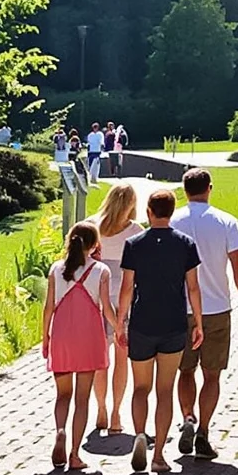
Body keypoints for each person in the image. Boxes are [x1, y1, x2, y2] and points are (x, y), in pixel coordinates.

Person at [116, 189, 203, 475]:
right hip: (173, 324)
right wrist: (198, 323)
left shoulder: (134, 244)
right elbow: (192, 288)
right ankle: (159, 455)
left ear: (149, 213)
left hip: (142, 323)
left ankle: (140, 434)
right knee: (165, 390)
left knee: (141, 388)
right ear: (171, 211)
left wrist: (120, 322)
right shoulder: (186, 244)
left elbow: (127, 288)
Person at [174, 166, 238, 461]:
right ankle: (204, 433)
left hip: (180, 308)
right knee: (212, 375)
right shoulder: (226, 222)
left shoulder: (173, 221)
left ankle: (187, 418)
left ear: (185, 190)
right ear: (209, 188)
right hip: (217, 308)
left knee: (184, 370)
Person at [42, 221, 118, 471]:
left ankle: (60, 430)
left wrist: (45, 338)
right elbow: (106, 308)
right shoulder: (101, 271)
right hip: (89, 338)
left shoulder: (56, 269)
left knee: (63, 394)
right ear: (95, 244)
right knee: (82, 399)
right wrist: (119, 329)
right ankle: (75, 453)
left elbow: (48, 308)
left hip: (62, 337)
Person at [89, 182, 142, 435]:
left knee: (101, 360)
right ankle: (116, 412)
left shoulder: (91, 226)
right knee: (122, 359)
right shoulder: (135, 231)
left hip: (95, 300)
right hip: (125, 301)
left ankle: (100, 408)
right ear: (131, 204)